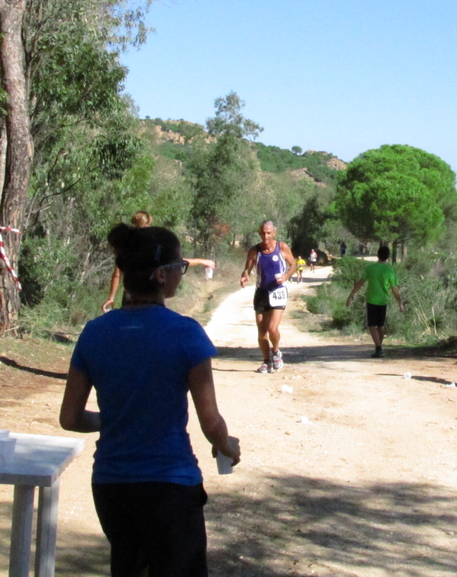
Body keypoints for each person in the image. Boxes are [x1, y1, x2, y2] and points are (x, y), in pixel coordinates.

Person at [60, 223, 240, 577]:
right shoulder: (186, 333)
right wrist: (227, 446)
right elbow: (211, 422)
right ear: (161, 275)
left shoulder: (95, 333)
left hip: (112, 486)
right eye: (179, 267)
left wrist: (112, 419)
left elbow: (70, 418)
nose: (182, 274)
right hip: (170, 485)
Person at [102, 211, 216, 313]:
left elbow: (116, 275)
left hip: (130, 295)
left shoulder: (127, 247)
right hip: (152, 296)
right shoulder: (153, 244)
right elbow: (171, 262)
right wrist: (200, 261)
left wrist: (111, 297)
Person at [240, 221, 296, 373]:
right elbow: (247, 269)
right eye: (263, 233)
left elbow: (293, 265)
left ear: (274, 233)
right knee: (262, 330)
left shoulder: (282, 247)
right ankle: (266, 361)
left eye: (269, 233)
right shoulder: (254, 251)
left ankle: (276, 352)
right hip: (261, 292)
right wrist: (245, 276)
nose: (266, 236)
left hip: (278, 291)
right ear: (259, 233)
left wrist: (285, 276)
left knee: (272, 328)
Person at [345, 245, 405, 358]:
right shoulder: (390, 270)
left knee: (372, 325)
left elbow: (360, 283)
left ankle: (378, 348)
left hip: (372, 299)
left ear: (378, 255)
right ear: (387, 257)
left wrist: (350, 295)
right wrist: (400, 302)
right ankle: (379, 347)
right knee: (380, 326)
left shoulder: (370, 268)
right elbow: (394, 289)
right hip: (383, 300)